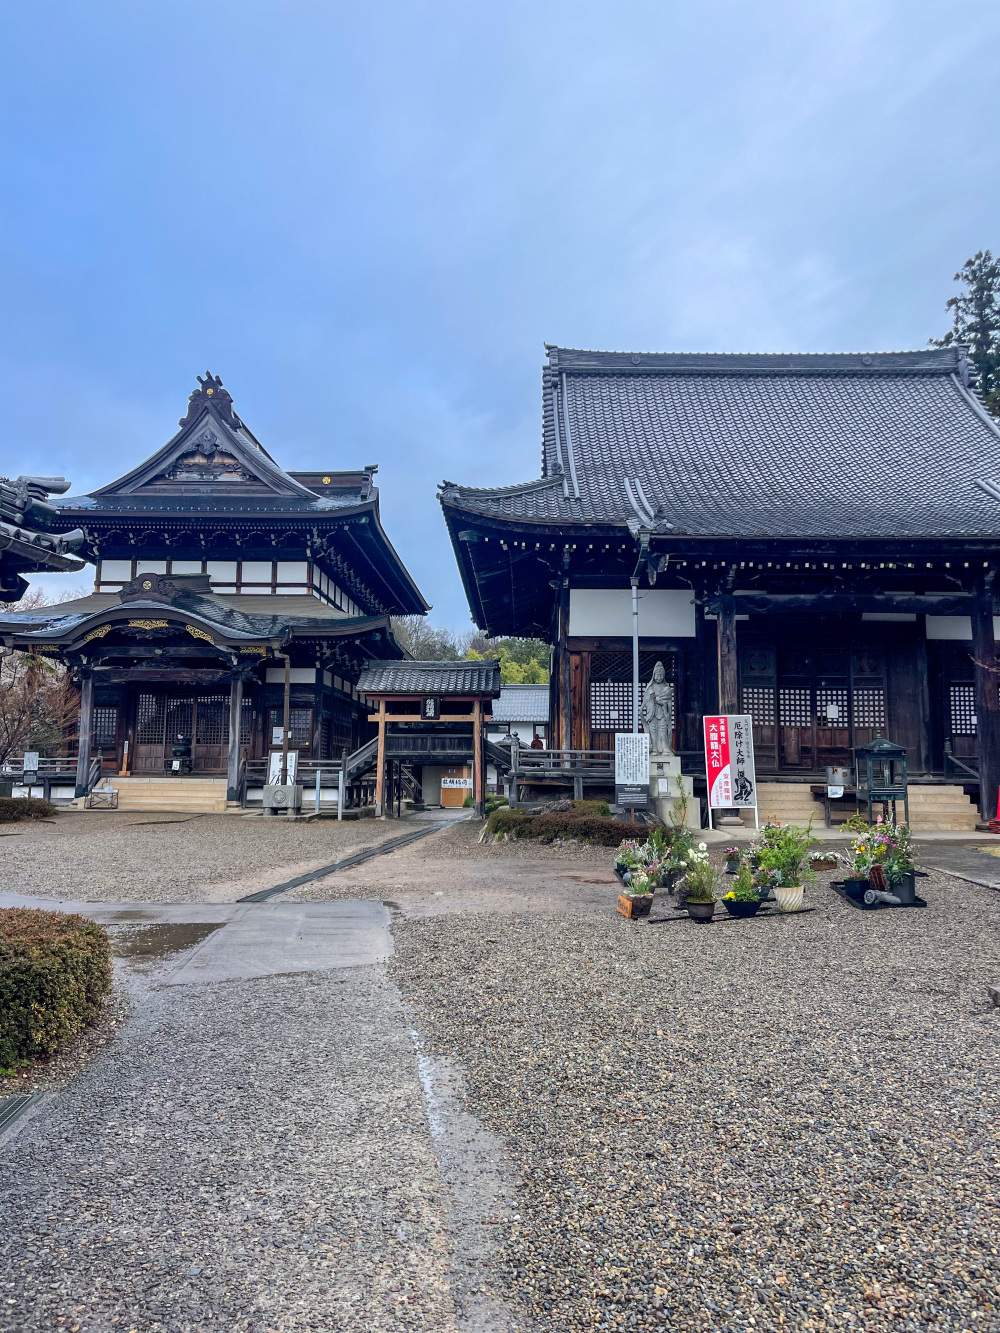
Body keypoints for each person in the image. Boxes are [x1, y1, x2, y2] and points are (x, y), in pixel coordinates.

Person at [640, 660, 674, 754]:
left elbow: (668, 700)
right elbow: (646, 700)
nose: (659, 678)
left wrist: (662, 702)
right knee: (653, 730)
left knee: (663, 729)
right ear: (654, 675)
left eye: (661, 675)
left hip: (662, 712)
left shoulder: (666, 687)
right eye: (657, 675)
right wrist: (650, 701)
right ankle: (654, 748)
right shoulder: (650, 687)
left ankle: (665, 747)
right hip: (652, 713)